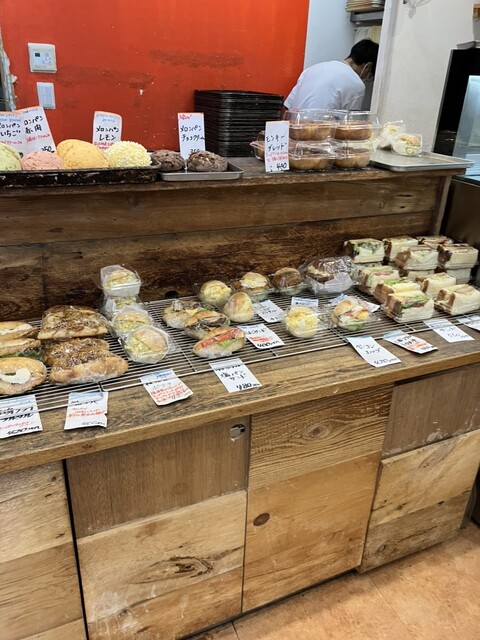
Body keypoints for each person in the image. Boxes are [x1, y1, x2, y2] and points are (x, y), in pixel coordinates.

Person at [284, 39, 379, 111]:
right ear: (368, 66)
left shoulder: (312, 69)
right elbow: (349, 124)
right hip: (322, 131)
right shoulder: (357, 84)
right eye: (370, 75)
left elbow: (288, 106)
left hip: (293, 128)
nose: (367, 77)